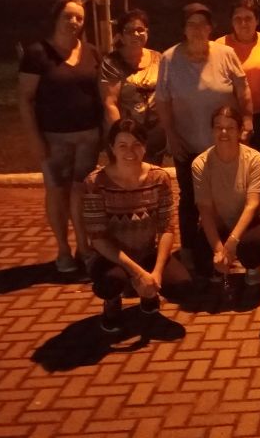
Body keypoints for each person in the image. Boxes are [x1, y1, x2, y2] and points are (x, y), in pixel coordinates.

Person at [155, 3, 253, 273]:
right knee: (190, 198)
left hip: (226, 145)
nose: (198, 29)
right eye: (192, 24)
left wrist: (247, 120)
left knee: (232, 195)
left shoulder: (225, 54)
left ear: (211, 28)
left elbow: (243, 89)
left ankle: (234, 246)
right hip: (188, 144)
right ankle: (189, 250)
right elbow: (162, 101)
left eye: (203, 24)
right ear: (183, 29)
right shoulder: (169, 59)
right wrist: (171, 135)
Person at [82, 119, 191, 333]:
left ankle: (148, 294)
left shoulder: (159, 177)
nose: (130, 151)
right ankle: (112, 302)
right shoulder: (95, 183)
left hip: (147, 251)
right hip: (110, 257)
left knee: (183, 287)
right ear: (112, 148)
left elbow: (167, 229)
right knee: (109, 284)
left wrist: (156, 273)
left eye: (136, 144)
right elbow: (98, 238)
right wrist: (139, 273)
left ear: (145, 146)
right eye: (122, 145)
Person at [18, 0, 102, 273]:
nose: (74, 22)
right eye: (68, 16)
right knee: (57, 191)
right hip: (54, 137)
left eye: (79, 17)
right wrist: (34, 139)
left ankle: (84, 247)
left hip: (89, 135)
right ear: (56, 18)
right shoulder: (37, 54)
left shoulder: (91, 52)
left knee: (81, 191)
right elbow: (26, 99)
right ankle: (63, 250)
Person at [191, 106, 260, 294]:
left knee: (250, 246)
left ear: (240, 131)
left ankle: (252, 267)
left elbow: (252, 204)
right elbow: (205, 208)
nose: (224, 132)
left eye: (230, 127)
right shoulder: (200, 163)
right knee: (201, 258)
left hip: (249, 221)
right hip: (217, 222)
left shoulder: (256, 160)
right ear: (212, 130)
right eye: (218, 127)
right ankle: (218, 268)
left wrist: (233, 241)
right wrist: (219, 250)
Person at [216, 0, 260, 218]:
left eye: (248, 18)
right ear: (231, 21)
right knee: (236, 171)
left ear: (257, 20)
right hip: (232, 119)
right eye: (238, 19)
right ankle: (237, 218)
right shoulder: (219, 45)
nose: (243, 23)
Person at [99, 9, 164, 164]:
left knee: (152, 174)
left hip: (154, 134)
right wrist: (121, 136)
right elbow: (110, 103)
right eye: (129, 31)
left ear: (147, 32)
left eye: (140, 30)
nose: (135, 34)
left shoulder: (159, 58)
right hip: (125, 133)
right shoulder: (111, 62)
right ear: (121, 36)